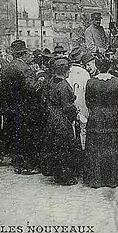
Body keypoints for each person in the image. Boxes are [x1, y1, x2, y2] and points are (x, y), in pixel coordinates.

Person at [0, 40, 44, 175]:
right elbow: (33, 88)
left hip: (10, 109)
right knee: (25, 137)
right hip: (25, 109)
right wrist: (40, 78)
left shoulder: (6, 68)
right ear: (23, 54)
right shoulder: (25, 69)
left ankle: (17, 164)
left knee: (16, 137)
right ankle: (26, 166)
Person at [83, 56, 118, 188]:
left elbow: (88, 101)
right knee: (112, 146)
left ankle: (96, 179)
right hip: (113, 117)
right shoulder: (117, 82)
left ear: (97, 66)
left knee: (96, 147)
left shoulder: (91, 82)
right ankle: (113, 178)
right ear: (110, 66)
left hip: (96, 117)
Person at [42, 57, 80, 185]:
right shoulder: (63, 85)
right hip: (62, 120)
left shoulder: (51, 81)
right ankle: (66, 177)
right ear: (64, 71)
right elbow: (67, 106)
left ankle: (57, 175)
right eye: (68, 70)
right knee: (65, 148)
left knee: (56, 147)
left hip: (52, 117)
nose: (69, 72)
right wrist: (75, 112)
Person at [67, 47, 91, 151]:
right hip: (82, 104)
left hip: (70, 105)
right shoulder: (84, 72)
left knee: (71, 130)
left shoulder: (67, 71)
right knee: (83, 130)